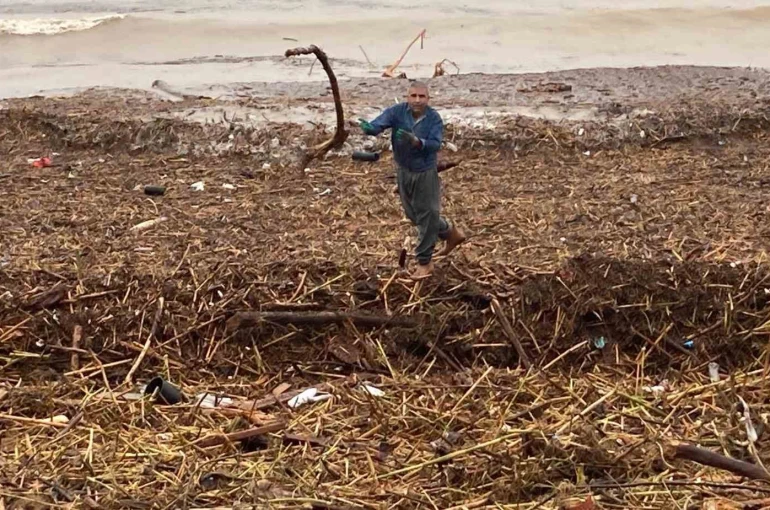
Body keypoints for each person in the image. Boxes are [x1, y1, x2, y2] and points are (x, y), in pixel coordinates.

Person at [358, 81, 465, 280]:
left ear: (428, 98)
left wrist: (416, 142)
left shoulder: (433, 119)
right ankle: (450, 233)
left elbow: (434, 144)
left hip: (424, 171)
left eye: (421, 96)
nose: (417, 100)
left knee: (427, 214)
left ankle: (425, 262)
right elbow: (378, 124)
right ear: (407, 97)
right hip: (403, 170)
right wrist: (368, 127)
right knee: (414, 215)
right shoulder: (397, 112)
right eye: (413, 96)